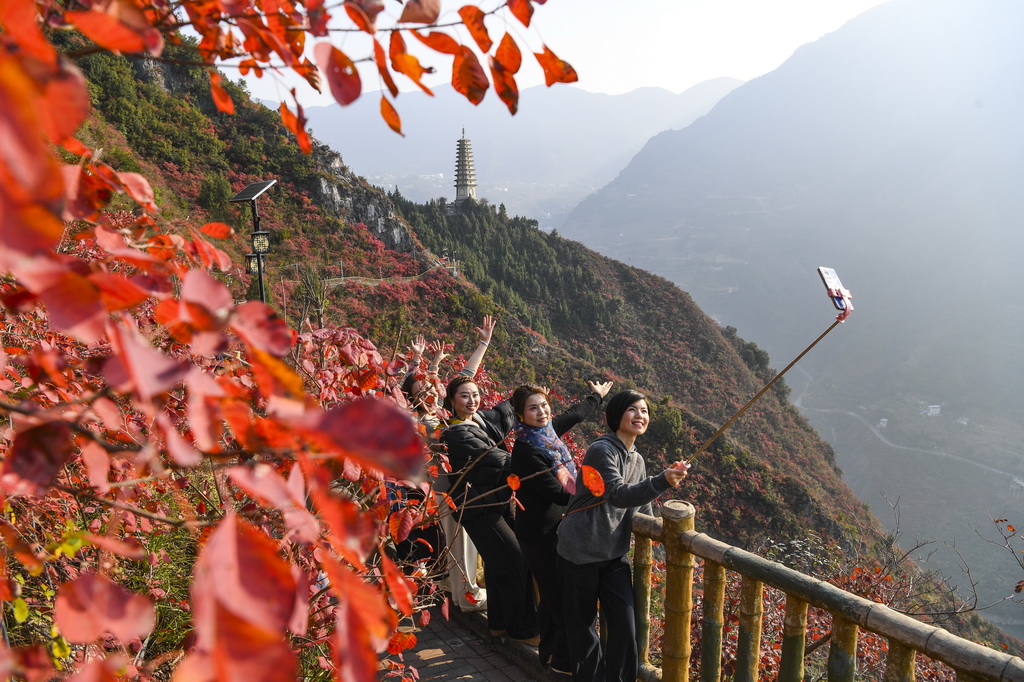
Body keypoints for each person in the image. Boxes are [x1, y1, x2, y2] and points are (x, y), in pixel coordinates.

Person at [557, 390, 689, 682]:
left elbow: (641, 507)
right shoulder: (601, 450)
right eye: (632, 409)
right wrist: (662, 481)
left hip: (613, 554)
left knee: (625, 626)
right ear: (617, 414)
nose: (639, 415)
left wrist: (659, 536)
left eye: (644, 411)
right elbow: (617, 494)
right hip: (580, 550)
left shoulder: (636, 458)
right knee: (583, 628)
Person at [439, 316, 540, 645]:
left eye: (475, 395)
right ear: (450, 401)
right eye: (463, 397)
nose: (472, 399)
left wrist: (483, 343)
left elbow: (508, 402)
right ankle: (523, 630)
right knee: (516, 562)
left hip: (495, 501)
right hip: (476, 506)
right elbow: (498, 460)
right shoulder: (453, 431)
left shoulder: (480, 418)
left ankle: (497, 623)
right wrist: (544, 464)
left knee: (499, 566)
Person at [510, 380, 613, 676]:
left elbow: (576, 414)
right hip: (537, 534)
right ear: (521, 415)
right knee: (558, 598)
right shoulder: (527, 451)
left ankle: (549, 653)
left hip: (554, 528)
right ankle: (563, 665)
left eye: (544, 405)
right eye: (533, 408)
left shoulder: (547, 434)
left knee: (553, 594)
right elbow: (557, 493)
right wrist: (601, 492)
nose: (541, 411)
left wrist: (597, 396)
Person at [401, 335, 488, 612]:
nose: (428, 392)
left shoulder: (440, 411)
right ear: (412, 398)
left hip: (457, 487)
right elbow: (407, 387)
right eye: (421, 391)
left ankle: (456, 588)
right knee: (460, 542)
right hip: (448, 490)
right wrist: (418, 362)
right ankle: (468, 597)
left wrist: (482, 344)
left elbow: (465, 378)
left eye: (431, 388)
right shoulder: (425, 421)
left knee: (461, 542)